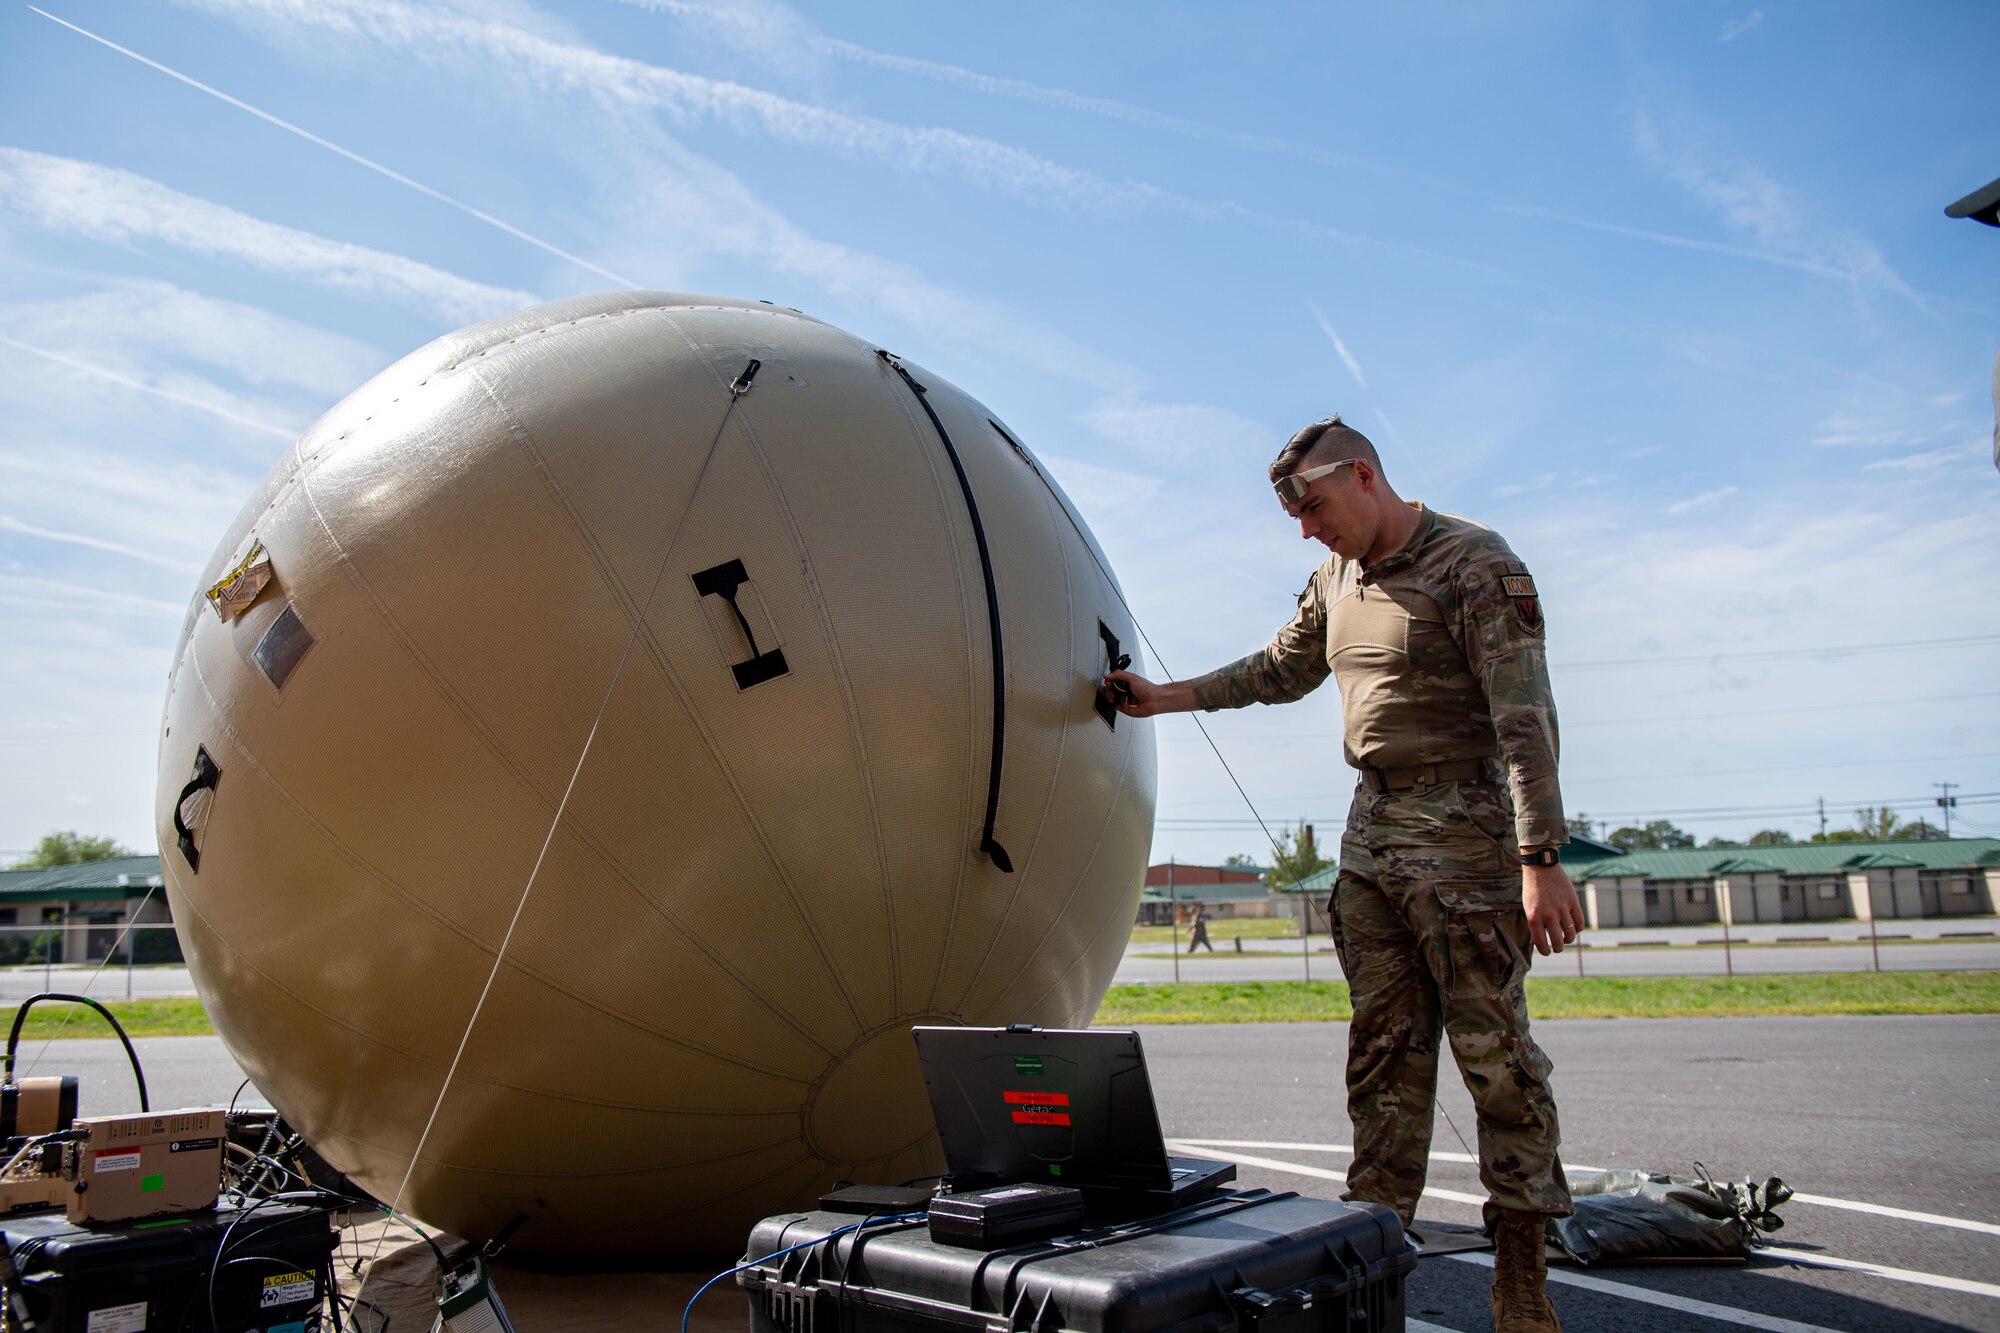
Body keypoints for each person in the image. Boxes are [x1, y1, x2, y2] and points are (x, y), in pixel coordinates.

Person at [1105, 416, 1586, 1333]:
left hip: (1470, 845)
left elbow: (1526, 720)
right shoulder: (1336, 578)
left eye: (1314, 507)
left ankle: (1521, 1280)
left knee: (1498, 1065)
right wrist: (1163, 698)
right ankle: (1370, 1269)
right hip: (1373, 840)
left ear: (1364, 476)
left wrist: (1541, 860)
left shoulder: (1475, 565)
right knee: (1382, 1061)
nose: (1305, 529)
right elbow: (1280, 669)